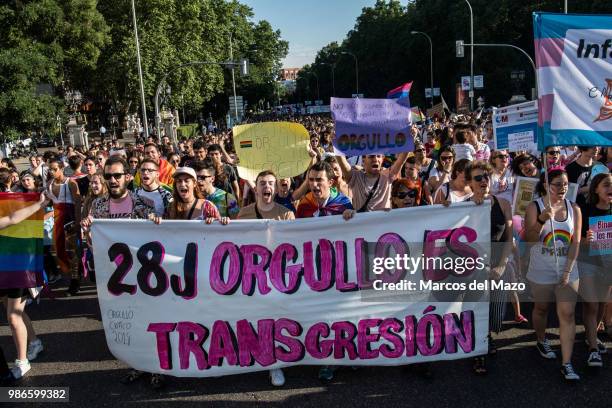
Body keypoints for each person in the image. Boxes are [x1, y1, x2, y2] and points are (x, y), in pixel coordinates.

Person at [81, 156, 163, 389]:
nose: (112, 180)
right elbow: (92, 244)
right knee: (130, 325)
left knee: (150, 323)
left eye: (117, 175)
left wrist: (157, 223)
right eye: (108, 176)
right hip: (115, 278)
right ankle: (136, 365)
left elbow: (157, 241)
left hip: (144, 277)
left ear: (128, 176)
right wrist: (87, 231)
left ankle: (156, 368)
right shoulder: (97, 206)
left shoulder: (144, 204)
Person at [236, 170, 294, 387]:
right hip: (252, 275)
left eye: (270, 183)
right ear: (256, 188)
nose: (266, 187)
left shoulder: (286, 214)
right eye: (262, 183)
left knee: (274, 320)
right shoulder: (244, 214)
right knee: (258, 319)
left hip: (278, 276)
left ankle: (274, 363)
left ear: (276, 188)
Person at [524, 169, 582, 381]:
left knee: (567, 314)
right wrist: (540, 220)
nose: (562, 188)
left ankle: (567, 364)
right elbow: (529, 240)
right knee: (541, 308)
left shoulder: (574, 208)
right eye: (557, 184)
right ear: (547, 185)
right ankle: (541, 339)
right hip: (541, 268)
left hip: (568, 268)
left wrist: (568, 270)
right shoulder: (535, 206)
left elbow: (575, 242)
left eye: (565, 184)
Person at [462, 161, 513, 374]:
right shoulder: (461, 207)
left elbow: (509, 238)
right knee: (477, 312)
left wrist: (501, 265)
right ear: (469, 183)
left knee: (496, 316)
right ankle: (478, 353)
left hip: (496, 268)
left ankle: (486, 337)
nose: (483, 181)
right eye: (478, 178)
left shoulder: (502, 204)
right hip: (473, 269)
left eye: (486, 177)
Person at [0, 193, 49, 381]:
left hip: (15, 268)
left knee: (13, 317)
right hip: (3, 270)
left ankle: (22, 362)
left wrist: (39, 204)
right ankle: (35, 342)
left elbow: (13, 218)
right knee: (14, 312)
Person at [578, 173, 611, 366]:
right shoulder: (585, 210)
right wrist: (585, 240)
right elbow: (576, 240)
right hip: (588, 262)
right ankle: (592, 349)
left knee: (601, 303)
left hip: (609, 263)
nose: (610, 189)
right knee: (590, 304)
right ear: (596, 189)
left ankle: (591, 335)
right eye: (606, 185)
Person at [46, 158, 81, 295]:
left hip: (70, 220)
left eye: (55, 169)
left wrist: (78, 223)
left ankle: (75, 281)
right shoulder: (49, 184)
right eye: (50, 169)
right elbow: (47, 202)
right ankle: (73, 274)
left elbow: (78, 203)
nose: (52, 171)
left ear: (61, 168)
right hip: (56, 221)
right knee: (60, 251)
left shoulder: (71, 183)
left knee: (71, 251)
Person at [337, 152, 408, 212]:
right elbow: (343, 164)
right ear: (363, 159)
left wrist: (410, 140)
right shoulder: (356, 177)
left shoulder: (387, 176)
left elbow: (400, 161)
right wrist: (335, 143)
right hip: (363, 226)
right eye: (371, 156)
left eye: (378, 156)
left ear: (382, 159)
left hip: (383, 225)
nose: (375, 159)